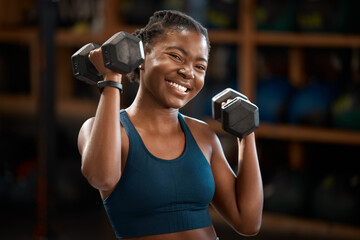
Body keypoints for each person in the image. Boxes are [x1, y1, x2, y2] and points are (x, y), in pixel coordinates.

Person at [78, 10, 263, 240]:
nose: (188, 72)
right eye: (176, 56)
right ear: (141, 57)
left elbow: (248, 222)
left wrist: (247, 133)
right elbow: (101, 178)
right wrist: (112, 79)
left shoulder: (202, 135)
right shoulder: (106, 130)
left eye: (200, 66)